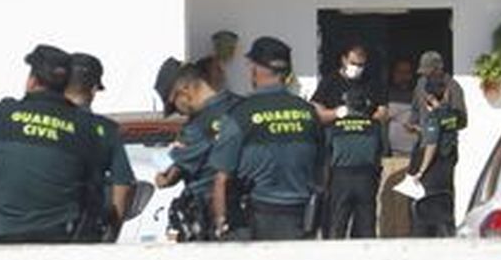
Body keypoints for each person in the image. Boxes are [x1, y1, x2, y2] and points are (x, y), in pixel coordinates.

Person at [0, 44, 102, 244]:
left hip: (2, 240)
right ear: (65, 86)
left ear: (32, 80)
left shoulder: (4, 113)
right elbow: (93, 189)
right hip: (59, 240)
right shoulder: (83, 126)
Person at [209, 37, 323, 241]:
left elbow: (221, 179)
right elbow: (323, 170)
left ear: (255, 69)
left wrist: (221, 224)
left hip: (258, 219)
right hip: (303, 218)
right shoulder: (308, 112)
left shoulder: (240, 114)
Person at [153, 58, 241, 240]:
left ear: (185, 91)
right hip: (246, 209)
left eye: (173, 104)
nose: (178, 112)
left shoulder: (196, 127)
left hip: (209, 216)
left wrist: (162, 176)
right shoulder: (241, 106)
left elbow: (167, 178)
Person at [65, 52, 135, 241]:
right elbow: (123, 186)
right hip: (84, 233)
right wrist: (111, 236)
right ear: (94, 89)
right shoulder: (105, 130)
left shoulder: (41, 123)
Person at [323, 85, 385, 239]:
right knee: (366, 227)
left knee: (337, 226)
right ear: (366, 104)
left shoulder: (334, 126)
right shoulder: (375, 126)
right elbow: (381, 151)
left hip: (340, 178)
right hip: (366, 177)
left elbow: (327, 153)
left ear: (346, 104)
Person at [411, 75, 466, 237]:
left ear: (429, 96)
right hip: (448, 169)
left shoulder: (432, 118)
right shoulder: (455, 115)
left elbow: (431, 146)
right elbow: (456, 126)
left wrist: (421, 171)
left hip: (434, 171)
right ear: (447, 93)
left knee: (428, 214)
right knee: (446, 209)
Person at [385, 58, 418, 157]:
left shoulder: (419, 95)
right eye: (400, 72)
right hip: (392, 152)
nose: (403, 76)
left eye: (407, 72)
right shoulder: (385, 94)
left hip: (415, 151)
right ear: (393, 73)